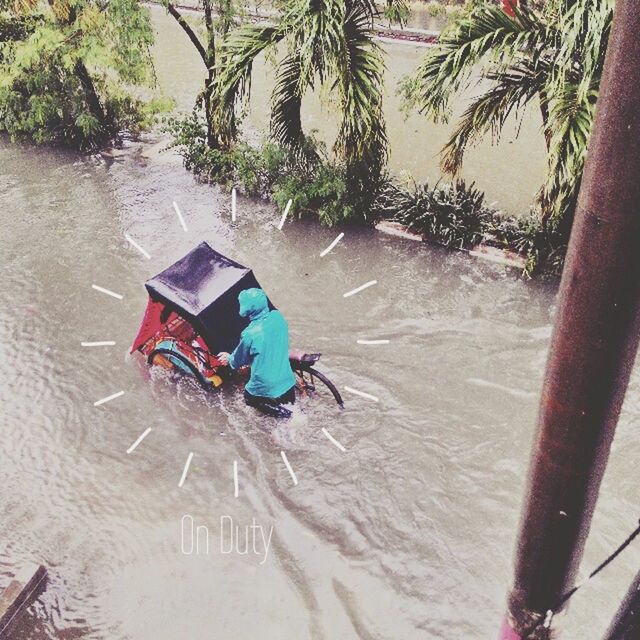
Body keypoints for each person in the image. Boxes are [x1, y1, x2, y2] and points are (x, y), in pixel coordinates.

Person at [218, 288, 296, 418]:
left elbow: (238, 360)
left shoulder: (249, 333)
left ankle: (286, 416)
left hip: (265, 385)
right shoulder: (278, 317)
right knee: (289, 402)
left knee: (249, 397)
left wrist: (228, 358)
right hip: (287, 380)